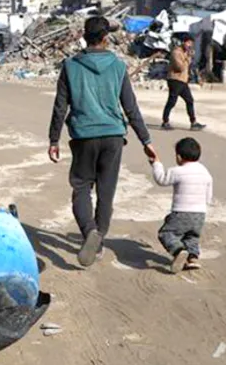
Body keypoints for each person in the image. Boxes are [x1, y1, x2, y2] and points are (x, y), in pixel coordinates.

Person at [49, 16, 157, 268]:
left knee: (81, 188)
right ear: (106, 38)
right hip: (113, 137)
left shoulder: (70, 66)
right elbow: (130, 107)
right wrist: (146, 140)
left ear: (83, 37)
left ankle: (90, 232)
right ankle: (97, 241)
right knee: (106, 193)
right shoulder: (118, 66)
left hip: (83, 136)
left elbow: (60, 107)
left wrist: (54, 139)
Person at [151, 137, 213, 273]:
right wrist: (204, 205)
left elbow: (161, 180)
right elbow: (208, 194)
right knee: (192, 237)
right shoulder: (205, 171)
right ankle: (192, 258)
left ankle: (178, 251)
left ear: (179, 156)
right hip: (200, 213)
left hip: (181, 211)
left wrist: (156, 164)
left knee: (166, 233)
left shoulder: (177, 171)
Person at [162, 35, 206, 131]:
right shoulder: (176, 52)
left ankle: (193, 122)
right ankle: (165, 121)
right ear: (183, 42)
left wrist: (188, 57)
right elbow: (180, 67)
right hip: (175, 80)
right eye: (188, 43)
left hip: (183, 80)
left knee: (189, 100)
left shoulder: (185, 53)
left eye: (191, 44)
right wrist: (188, 57)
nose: (189, 45)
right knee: (172, 102)